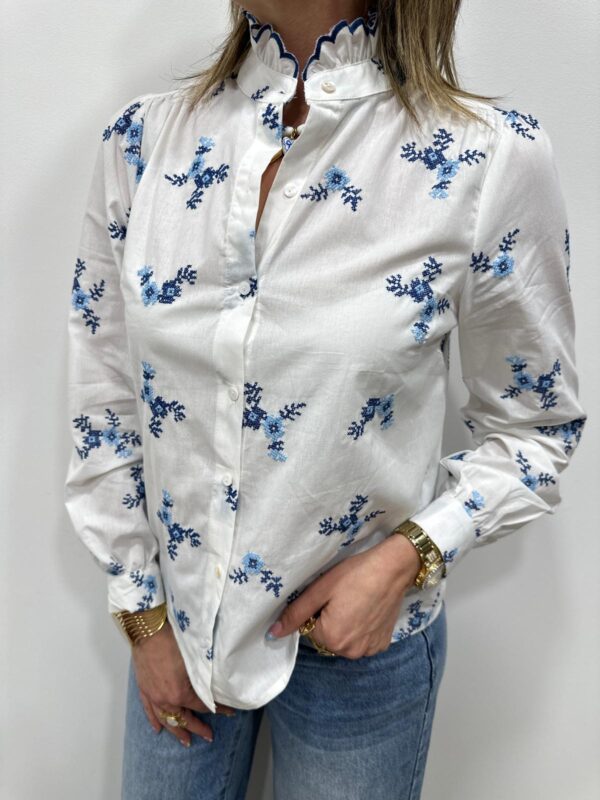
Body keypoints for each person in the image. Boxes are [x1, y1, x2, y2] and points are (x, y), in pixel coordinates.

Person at [63, 1, 587, 797]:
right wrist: (141, 613)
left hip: (361, 650)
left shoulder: (485, 157)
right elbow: (103, 400)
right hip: (176, 632)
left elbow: (536, 426)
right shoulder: (142, 142)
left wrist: (408, 558)